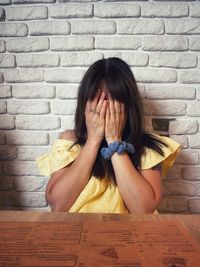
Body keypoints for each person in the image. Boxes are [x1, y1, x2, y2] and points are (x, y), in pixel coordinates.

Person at [36, 57, 181, 214]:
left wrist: (114, 141)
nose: (105, 109)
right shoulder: (69, 143)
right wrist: (93, 141)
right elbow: (57, 205)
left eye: (113, 103)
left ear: (128, 106)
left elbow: (143, 210)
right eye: (98, 101)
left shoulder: (147, 148)